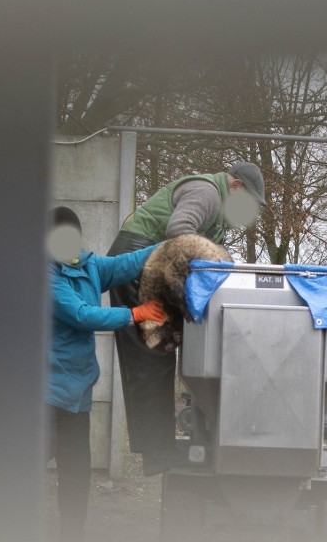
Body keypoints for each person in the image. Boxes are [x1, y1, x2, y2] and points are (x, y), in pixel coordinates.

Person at [107, 161, 266, 476]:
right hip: (136, 264)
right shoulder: (206, 192)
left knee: (159, 354)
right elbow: (179, 230)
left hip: (151, 265)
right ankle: (158, 453)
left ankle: (161, 449)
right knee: (151, 355)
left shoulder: (217, 210)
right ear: (235, 187)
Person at [47, 206, 165, 541]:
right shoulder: (46, 274)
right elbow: (82, 315)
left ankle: (72, 533)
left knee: (76, 474)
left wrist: (163, 248)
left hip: (78, 390)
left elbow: (123, 265)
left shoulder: (88, 265)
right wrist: (135, 313)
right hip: (46, 391)